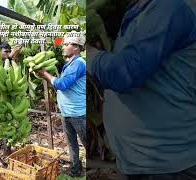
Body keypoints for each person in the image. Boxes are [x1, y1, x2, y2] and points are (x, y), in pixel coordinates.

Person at [88, 0, 196, 179]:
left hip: (167, 166)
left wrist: (88, 55)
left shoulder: (170, 7)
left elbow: (126, 71)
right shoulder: (142, 10)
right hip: (143, 163)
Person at [38, 33, 88, 177]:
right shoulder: (69, 64)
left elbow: (63, 84)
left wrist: (45, 74)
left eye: (67, 44)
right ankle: (76, 170)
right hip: (68, 113)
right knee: (72, 143)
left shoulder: (79, 64)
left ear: (77, 47)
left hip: (78, 114)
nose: (64, 47)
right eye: (64, 44)